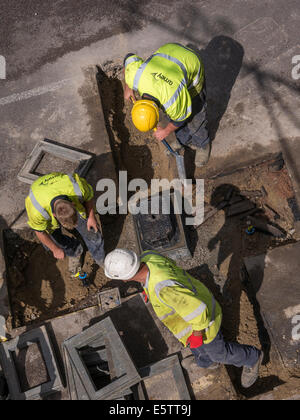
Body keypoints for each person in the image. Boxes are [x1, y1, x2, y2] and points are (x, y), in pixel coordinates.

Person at [104, 248, 264, 388]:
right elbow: (168, 267)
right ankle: (207, 362)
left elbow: (199, 311)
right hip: (190, 313)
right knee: (196, 347)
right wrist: (147, 289)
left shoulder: (163, 288)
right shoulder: (148, 256)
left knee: (218, 353)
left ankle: (252, 358)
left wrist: (197, 334)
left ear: (125, 278)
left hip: (204, 322)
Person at [123, 42, 211, 168]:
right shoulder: (135, 78)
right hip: (169, 51)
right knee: (173, 117)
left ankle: (203, 144)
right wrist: (128, 87)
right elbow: (129, 58)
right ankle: (183, 140)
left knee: (195, 116)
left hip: (191, 63)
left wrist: (166, 131)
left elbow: (181, 117)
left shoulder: (171, 99)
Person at [25, 172, 105, 276]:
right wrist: (55, 249)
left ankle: (101, 259)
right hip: (40, 192)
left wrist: (91, 217)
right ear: (54, 215)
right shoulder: (37, 210)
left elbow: (88, 196)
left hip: (60, 185)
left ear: (73, 204)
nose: (75, 226)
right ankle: (75, 251)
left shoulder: (77, 188)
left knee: (93, 232)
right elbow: (39, 232)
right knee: (52, 242)